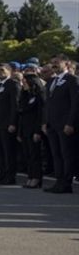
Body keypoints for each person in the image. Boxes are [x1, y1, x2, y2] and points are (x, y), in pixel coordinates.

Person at [43, 55, 78, 193]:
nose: (54, 65)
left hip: (65, 124)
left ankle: (67, 183)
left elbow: (75, 103)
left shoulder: (71, 80)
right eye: (53, 63)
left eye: (57, 62)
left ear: (66, 64)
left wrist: (70, 123)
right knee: (56, 154)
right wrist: (45, 121)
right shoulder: (52, 81)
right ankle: (59, 181)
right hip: (52, 123)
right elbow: (48, 104)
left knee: (66, 154)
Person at [0, 64, 20, 184]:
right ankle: (2, 173)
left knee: (8, 151)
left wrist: (13, 122)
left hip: (6, 123)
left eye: (2, 71)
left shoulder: (12, 84)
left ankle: (10, 176)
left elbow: (14, 105)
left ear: (9, 72)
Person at [18, 65, 47, 189]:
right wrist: (19, 132)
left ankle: (36, 178)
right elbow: (21, 114)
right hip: (24, 129)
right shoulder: (25, 96)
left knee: (35, 155)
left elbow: (40, 114)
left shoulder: (38, 95)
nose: (23, 83)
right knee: (27, 154)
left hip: (34, 129)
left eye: (25, 81)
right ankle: (30, 176)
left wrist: (37, 131)